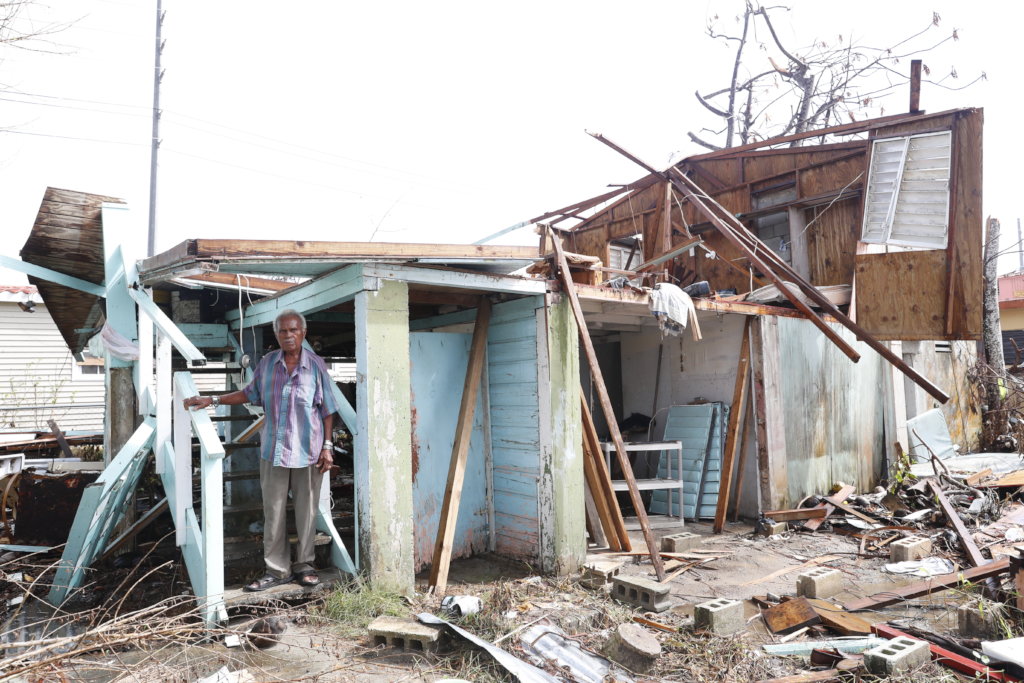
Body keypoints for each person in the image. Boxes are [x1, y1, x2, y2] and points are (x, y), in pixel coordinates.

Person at [184, 308, 341, 591]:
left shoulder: (317, 365)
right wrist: (213, 398)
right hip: (275, 450)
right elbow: (248, 393)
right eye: (283, 331)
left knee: (306, 513)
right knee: (274, 512)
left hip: (309, 451)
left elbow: (328, 409)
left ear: (303, 333)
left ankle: (305, 565)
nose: (288, 335)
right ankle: (277, 570)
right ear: (277, 335)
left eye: (294, 330)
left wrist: (328, 447)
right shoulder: (268, 363)